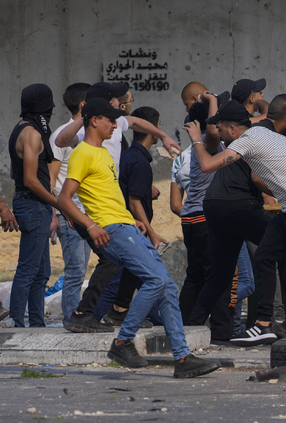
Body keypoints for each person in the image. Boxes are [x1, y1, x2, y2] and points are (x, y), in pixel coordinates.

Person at [57, 97, 220, 378]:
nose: (114, 124)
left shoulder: (106, 154)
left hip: (126, 226)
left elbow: (107, 197)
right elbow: (64, 198)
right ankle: (122, 341)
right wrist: (90, 225)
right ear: (94, 120)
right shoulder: (82, 153)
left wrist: (133, 219)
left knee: (167, 286)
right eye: (109, 119)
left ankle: (182, 359)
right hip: (112, 230)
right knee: (155, 280)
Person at [186, 94, 286, 347]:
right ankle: (264, 324)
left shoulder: (247, 140)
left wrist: (197, 140)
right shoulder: (265, 133)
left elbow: (206, 165)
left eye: (220, 129)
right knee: (265, 256)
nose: (218, 136)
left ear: (231, 128)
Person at [56, 82, 180, 333]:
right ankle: (104, 321)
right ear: (95, 113)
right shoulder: (83, 140)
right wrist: (87, 223)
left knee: (114, 259)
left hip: (112, 209)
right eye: (111, 102)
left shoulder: (112, 131)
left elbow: (135, 123)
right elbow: (60, 141)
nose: (118, 111)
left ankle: (97, 314)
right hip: (88, 209)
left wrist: (164, 135)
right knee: (115, 261)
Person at [95, 106, 168, 326]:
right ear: (153, 129)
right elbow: (135, 203)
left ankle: (118, 316)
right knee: (124, 279)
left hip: (130, 228)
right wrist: (152, 233)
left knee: (133, 278)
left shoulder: (129, 156)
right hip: (133, 229)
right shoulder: (139, 162)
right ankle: (96, 318)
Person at [177, 96, 239, 341]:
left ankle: (184, 328)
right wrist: (213, 100)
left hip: (191, 219)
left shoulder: (197, 147)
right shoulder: (206, 143)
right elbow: (213, 130)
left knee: (196, 277)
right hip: (205, 219)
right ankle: (222, 334)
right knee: (224, 276)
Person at [8, 84, 58, 328]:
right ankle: (16, 323)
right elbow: (30, 179)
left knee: (41, 273)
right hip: (34, 206)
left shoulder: (19, 129)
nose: (52, 109)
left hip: (31, 205)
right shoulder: (33, 134)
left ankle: (37, 325)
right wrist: (57, 202)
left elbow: (13, 174)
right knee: (29, 270)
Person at [49, 83, 93, 326]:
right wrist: (55, 213)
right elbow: (52, 180)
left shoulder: (88, 134)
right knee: (75, 271)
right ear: (85, 105)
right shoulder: (61, 136)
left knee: (82, 270)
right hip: (70, 215)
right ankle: (70, 319)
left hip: (87, 214)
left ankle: (78, 316)